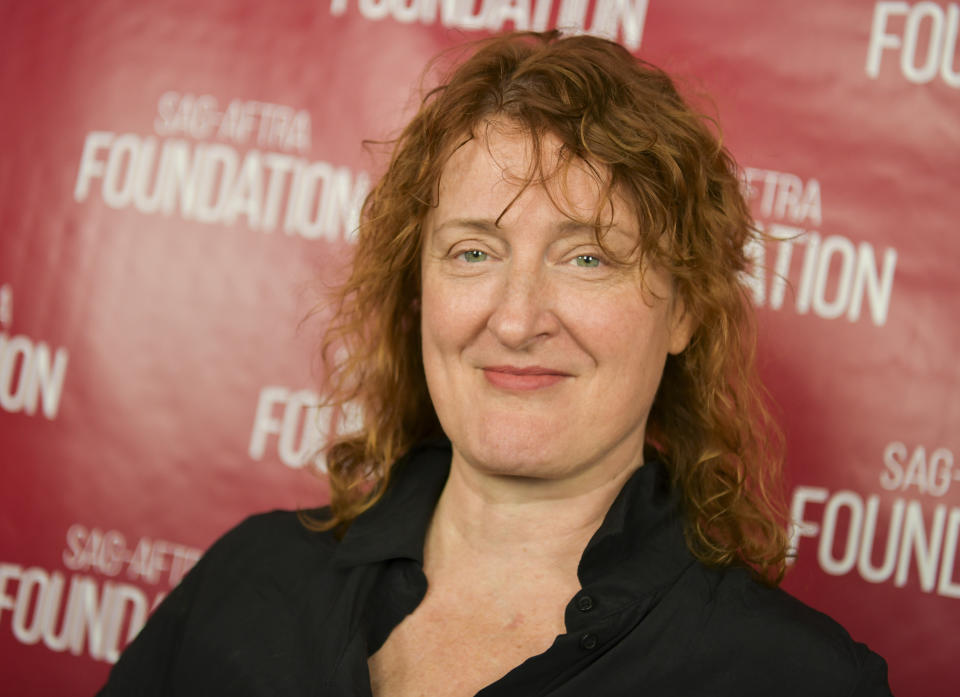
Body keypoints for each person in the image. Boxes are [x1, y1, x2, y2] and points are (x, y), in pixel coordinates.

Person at [99, 31, 892, 696]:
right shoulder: (250, 579)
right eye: (473, 251)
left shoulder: (792, 677)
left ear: (684, 308)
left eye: (587, 257)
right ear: (419, 290)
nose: (515, 319)